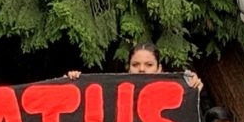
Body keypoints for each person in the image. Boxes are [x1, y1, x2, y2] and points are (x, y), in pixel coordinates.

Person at [67, 42, 203, 90]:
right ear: (128, 67)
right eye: (135, 64)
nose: (142, 69)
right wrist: (73, 83)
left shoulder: (175, 91)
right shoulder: (112, 90)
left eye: (149, 64)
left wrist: (192, 89)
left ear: (159, 68)